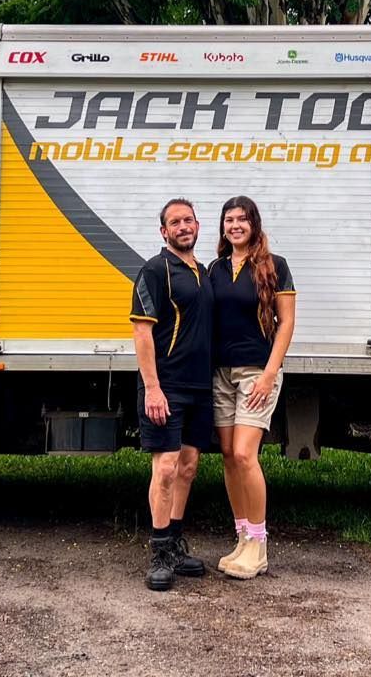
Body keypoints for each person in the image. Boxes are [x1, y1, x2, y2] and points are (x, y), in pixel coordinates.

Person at [208, 196, 296, 579]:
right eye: (229, 220)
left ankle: (259, 547)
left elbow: (286, 323)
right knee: (228, 455)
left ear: (254, 224)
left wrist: (269, 374)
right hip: (221, 374)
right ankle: (242, 538)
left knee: (245, 455)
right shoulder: (215, 268)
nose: (235, 225)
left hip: (256, 373)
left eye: (242, 219)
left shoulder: (274, 267)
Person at [130, 197, 214, 591]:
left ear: (198, 226)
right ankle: (160, 552)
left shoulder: (204, 273)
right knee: (164, 467)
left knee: (188, 466)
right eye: (175, 222)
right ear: (164, 232)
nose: (183, 226)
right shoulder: (155, 270)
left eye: (189, 220)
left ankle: (177, 544)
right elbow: (142, 331)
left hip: (200, 386)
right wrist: (152, 388)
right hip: (166, 387)